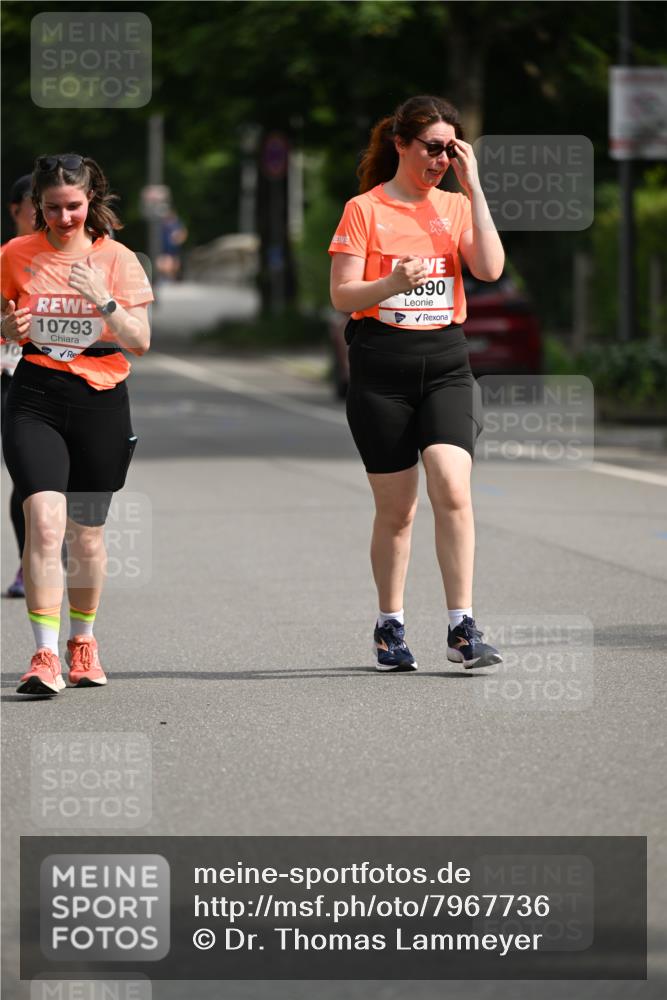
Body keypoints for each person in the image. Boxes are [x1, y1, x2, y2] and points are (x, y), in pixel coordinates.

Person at [329, 95, 504, 672]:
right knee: (398, 510)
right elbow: (342, 295)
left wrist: (474, 186)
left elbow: (490, 268)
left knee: (453, 487)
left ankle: (463, 627)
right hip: (382, 366)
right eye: (432, 148)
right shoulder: (365, 209)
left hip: (446, 362)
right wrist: (389, 283)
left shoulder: (454, 207)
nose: (439, 160)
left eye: (450, 150)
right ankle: (390, 626)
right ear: (401, 143)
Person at [1, 153, 153, 695]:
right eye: (52, 208)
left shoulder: (118, 258)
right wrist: (6, 324)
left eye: (73, 206)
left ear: (92, 202)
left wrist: (102, 299)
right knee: (43, 520)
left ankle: (82, 643)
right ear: (36, 208)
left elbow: (139, 340)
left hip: (101, 399)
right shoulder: (16, 254)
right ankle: (43, 655)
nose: (64, 218)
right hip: (36, 395)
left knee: (86, 538)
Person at [2, 175, 36, 597]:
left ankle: (45, 555)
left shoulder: (63, 261)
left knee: (42, 481)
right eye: (36, 206)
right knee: (25, 477)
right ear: (15, 211)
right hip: (6, 375)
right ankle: (30, 563)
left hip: (45, 377)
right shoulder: (5, 258)